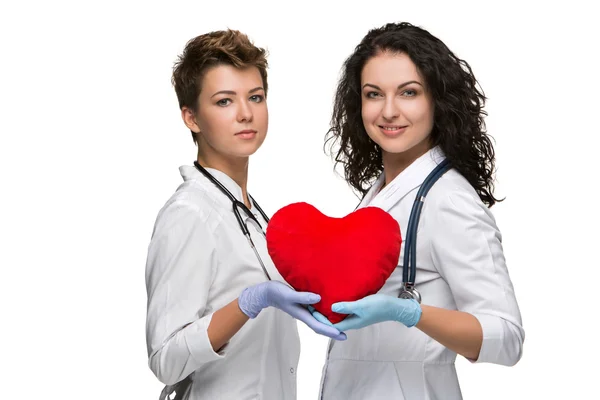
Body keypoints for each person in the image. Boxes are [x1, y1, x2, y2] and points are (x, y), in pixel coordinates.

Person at [313, 22, 524, 399]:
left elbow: (506, 337)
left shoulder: (449, 200)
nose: (389, 111)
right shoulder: (381, 193)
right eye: (374, 94)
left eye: (408, 93)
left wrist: (408, 313)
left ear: (437, 100)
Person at [144, 29, 345, 400]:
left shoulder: (251, 214)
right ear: (191, 118)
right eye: (224, 101)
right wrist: (248, 303)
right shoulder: (189, 213)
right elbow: (166, 359)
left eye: (256, 97)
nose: (245, 113)